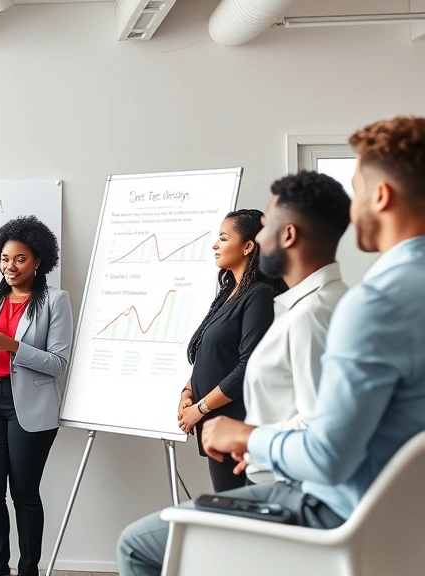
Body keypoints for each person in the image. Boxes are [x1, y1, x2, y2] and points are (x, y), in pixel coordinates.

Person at [118, 116, 425, 576]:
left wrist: (243, 434)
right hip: (389, 518)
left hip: (331, 509)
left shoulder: (370, 305)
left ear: (380, 197)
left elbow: (326, 456)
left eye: (358, 188)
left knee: (138, 545)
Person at [0, 215, 73, 576]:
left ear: (38, 260)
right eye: (5, 259)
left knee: (24, 493)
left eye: (20, 259)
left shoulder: (56, 301)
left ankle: (28, 569)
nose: (10, 267)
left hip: (30, 408)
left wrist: (11, 345)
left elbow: (57, 363)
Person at [241, 172, 350, 484]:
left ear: (288, 235)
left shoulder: (311, 315)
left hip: (288, 486)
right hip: (280, 476)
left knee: (141, 536)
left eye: (266, 227)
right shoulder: (328, 301)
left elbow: (318, 425)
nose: (259, 239)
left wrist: (244, 436)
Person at [177, 209, 287, 491]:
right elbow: (212, 353)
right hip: (214, 424)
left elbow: (248, 367)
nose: (215, 245)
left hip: (236, 424)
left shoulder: (259, 295)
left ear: (248, 246)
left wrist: (200, 408)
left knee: (236, 513)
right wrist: (188, 392)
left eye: (223, 238)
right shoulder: (228, 294)